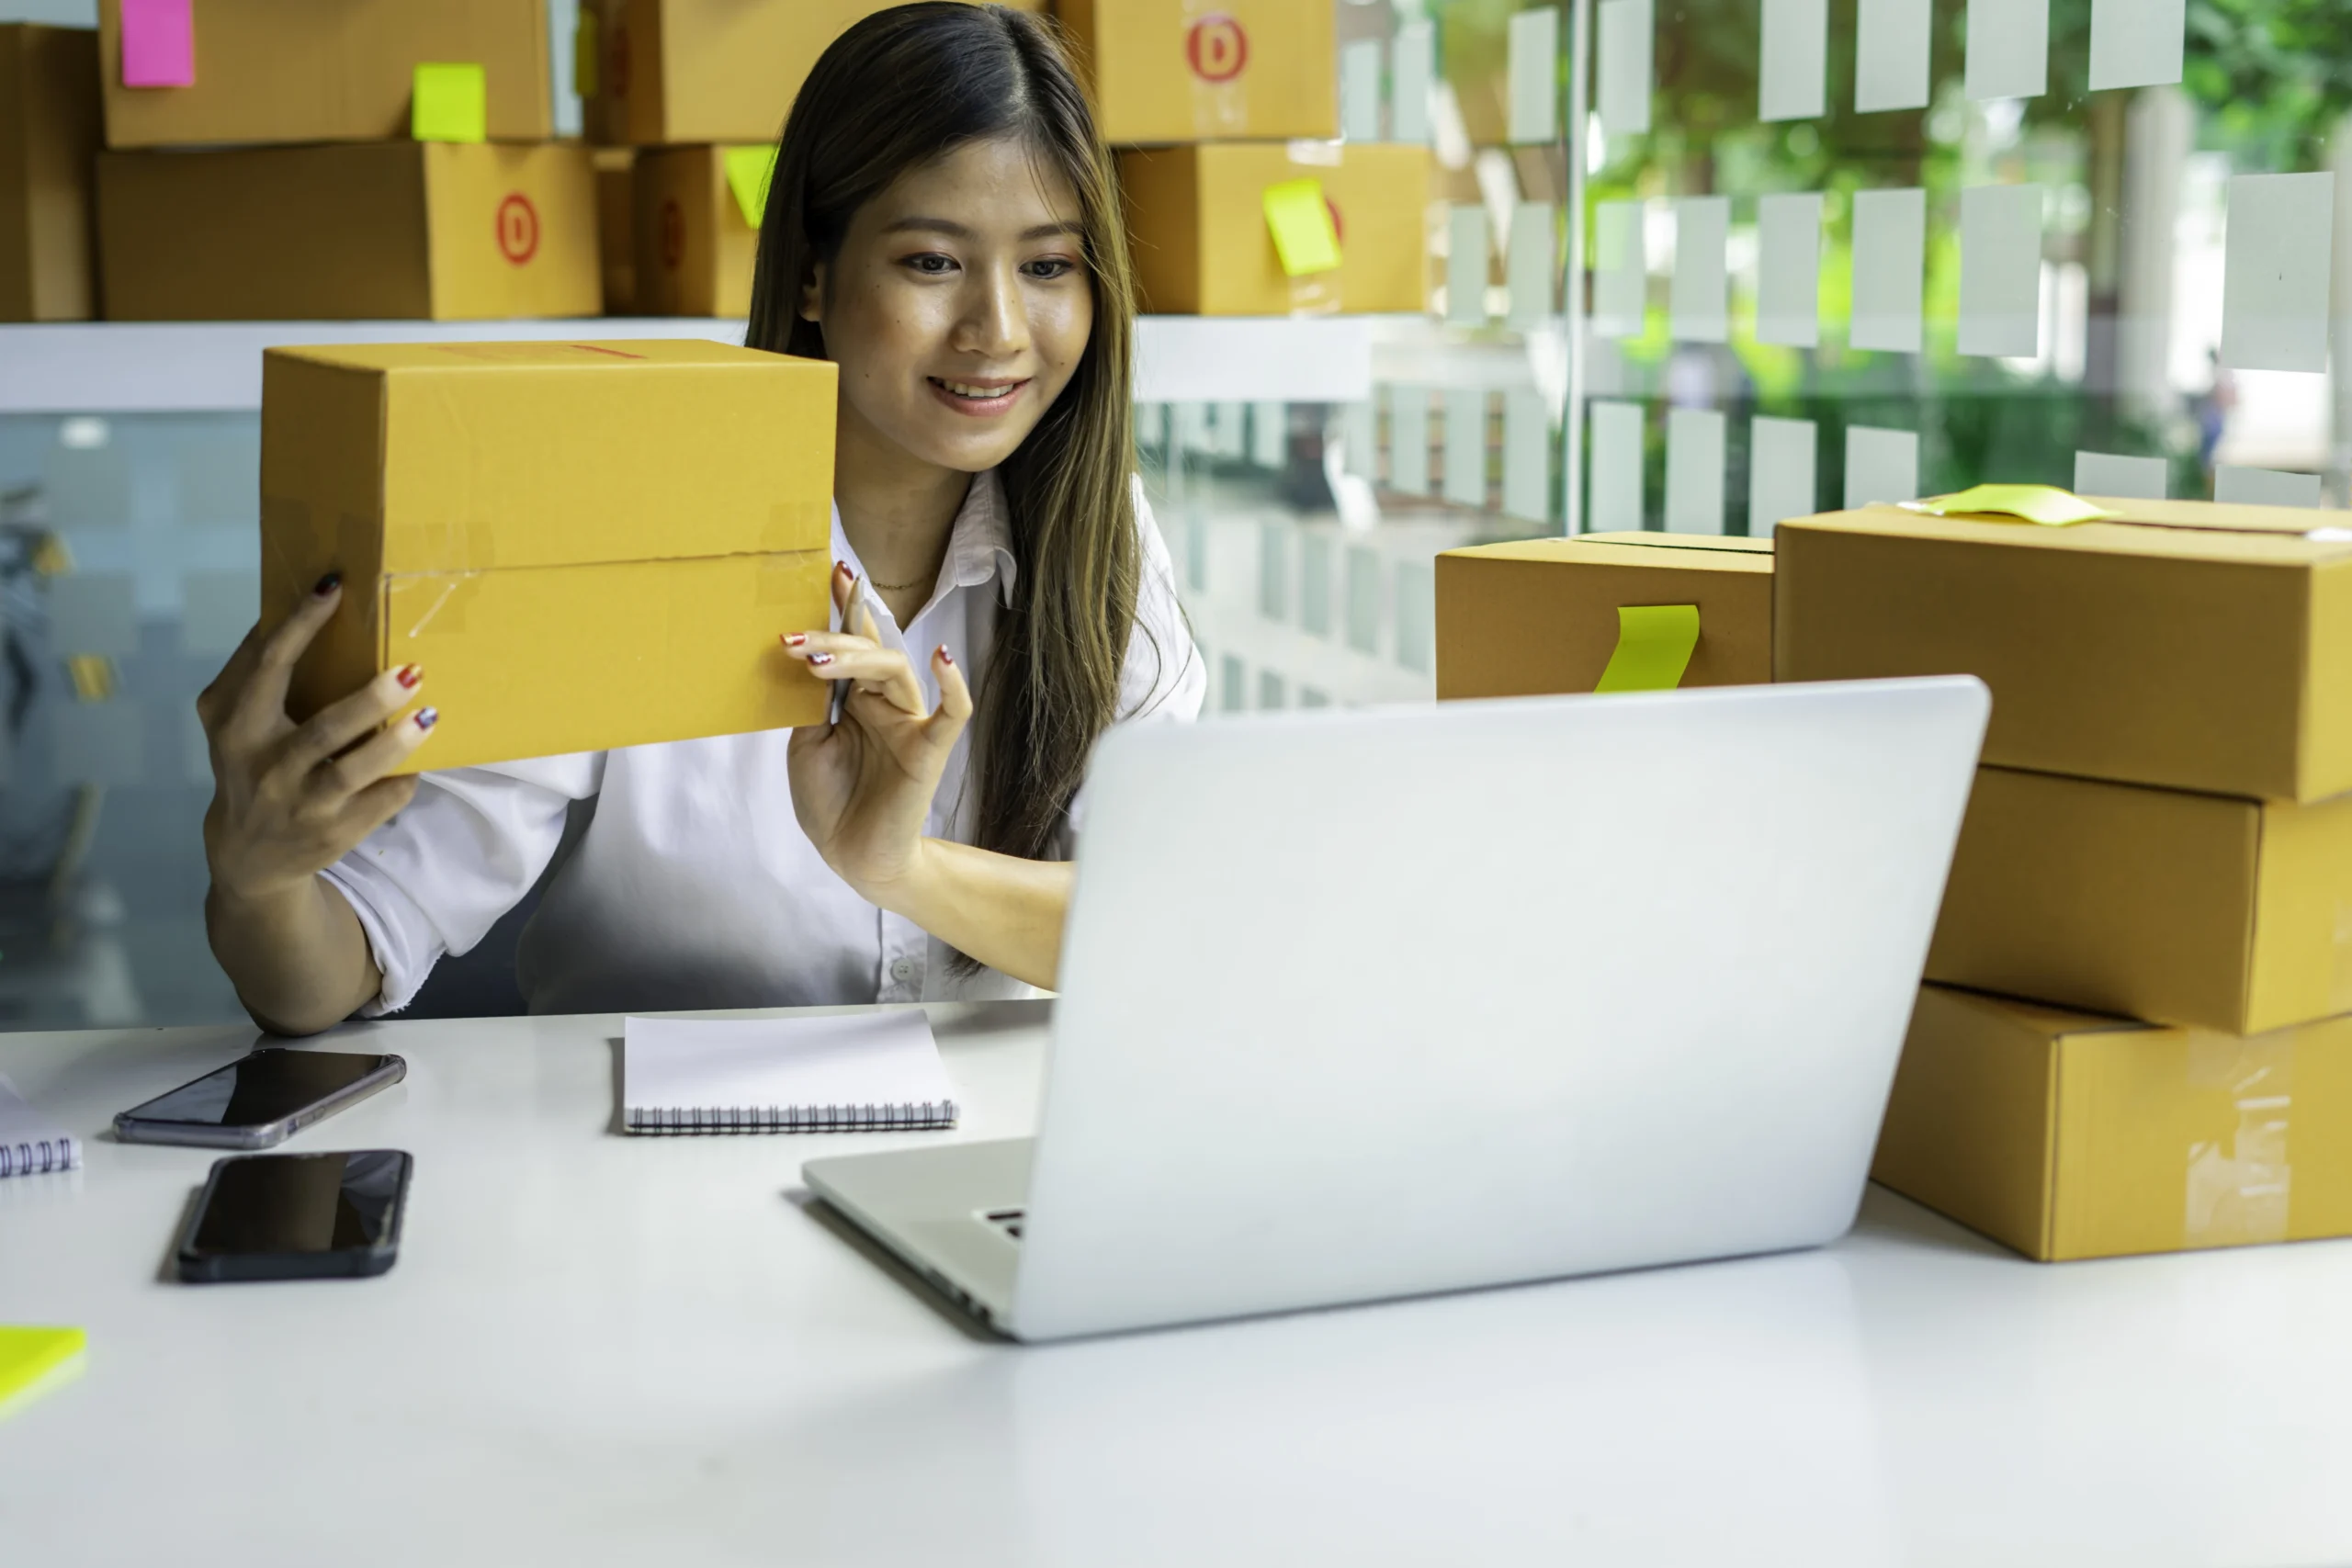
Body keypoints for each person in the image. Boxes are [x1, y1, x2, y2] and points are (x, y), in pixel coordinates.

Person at [195, 3, 1204, 1034]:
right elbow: (332, 968)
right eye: (932, 262)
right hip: (651, 1175)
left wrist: (897, 868)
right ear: (814, 270)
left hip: (977, 1165)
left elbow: (1171, 929)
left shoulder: (1094, 533)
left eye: (1047, 267)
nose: (997, 330)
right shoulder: (629, 524)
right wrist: (257, 880)